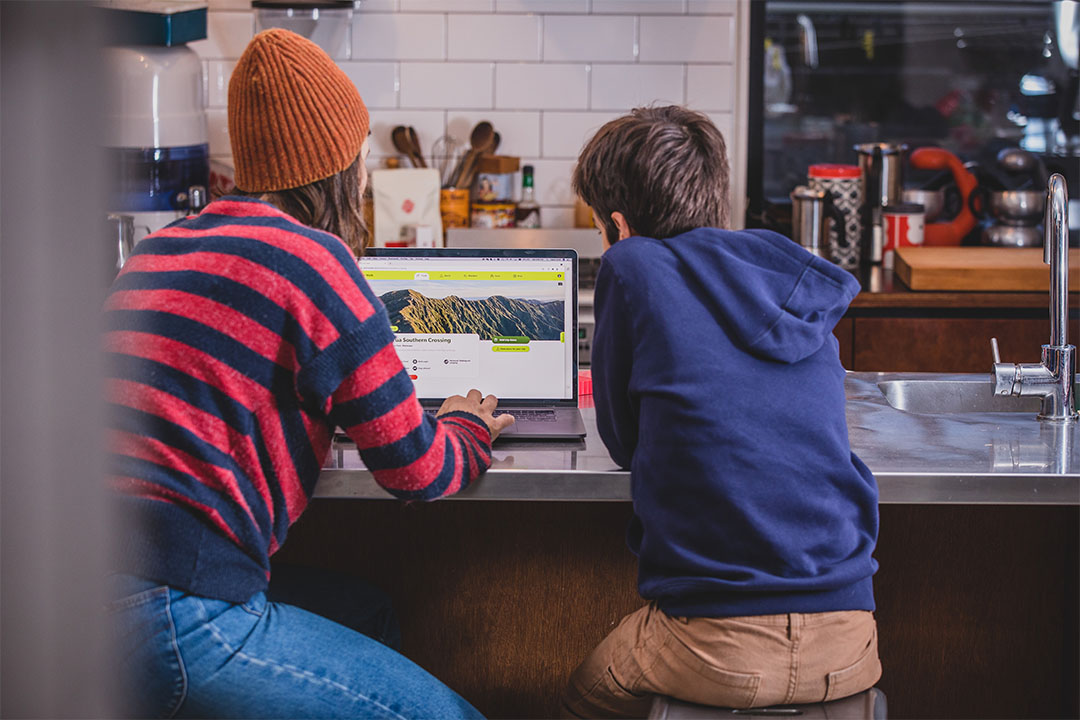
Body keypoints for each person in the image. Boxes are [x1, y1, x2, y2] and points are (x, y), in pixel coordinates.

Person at [104, 28, 512, 719]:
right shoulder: (315, 261)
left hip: (71, 599)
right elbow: (415, 471)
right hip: (176, 613)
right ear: (343, 166)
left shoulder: (156, 251)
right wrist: (467, 428)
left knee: (368, 612)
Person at [560, 106, 881, 718]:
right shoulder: (785, 275)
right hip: (850, 639)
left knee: (586, 694)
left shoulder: (633, 265)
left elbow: (627, 444)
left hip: (715, 646)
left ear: (618, 227)